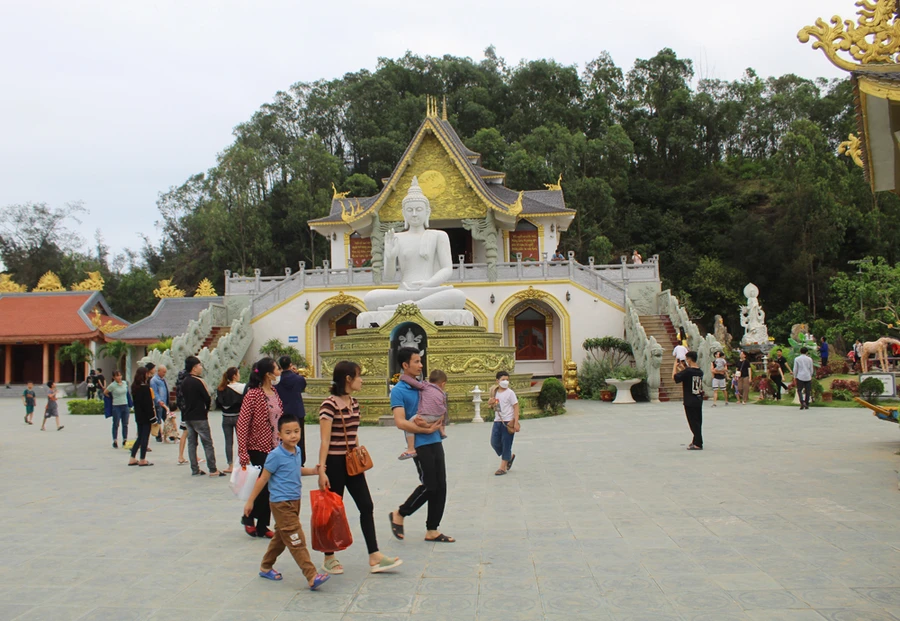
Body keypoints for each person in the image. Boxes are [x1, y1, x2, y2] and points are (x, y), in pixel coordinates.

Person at [318, 361, 403, 574]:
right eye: (358, 376)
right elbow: (325, 441)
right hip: (334, 464)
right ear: (347, 379)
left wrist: (358, 456)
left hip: (351, 463)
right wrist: (321, 470)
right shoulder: (328, 405)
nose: (361, 380)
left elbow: (354, 433)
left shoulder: (354, 403)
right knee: (334, 511)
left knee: (366, 505)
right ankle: (329, 556)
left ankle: (374, 555)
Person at [243, 414, 330, 590]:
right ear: (279, 435)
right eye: (288, 432)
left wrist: (313, 471)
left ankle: (265, 566)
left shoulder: (297, 451)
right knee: (296, 538)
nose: (293, 436)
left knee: (282, 537)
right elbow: (263, 478)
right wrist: (250, 501)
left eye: (296, 431)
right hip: (280, 503)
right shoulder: (275, 455)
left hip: (295, 501)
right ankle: (312, 576)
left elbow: (295, 470)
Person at [389, 348, 454, 544]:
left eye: (420, 361)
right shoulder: (399, 391)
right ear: (405, 365)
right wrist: (424, 431)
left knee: (441, 485)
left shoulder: (423, 386)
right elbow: (400, 422)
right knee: (430, 485)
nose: (420, 365)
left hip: (435, 440)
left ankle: (432, 530)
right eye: (416, 362)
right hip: (419, 444)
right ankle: (400, 513)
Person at [237, 358, 283, 538]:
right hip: (258, 446)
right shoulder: (253, 394)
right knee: (262, 486)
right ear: (268, 374)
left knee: (270, 487)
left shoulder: (275, 392)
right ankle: (249, 517)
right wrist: (242, 451)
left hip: (275, 445)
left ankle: (263, 525)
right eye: (276, 369)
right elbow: (242, 424)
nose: (279, 372)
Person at [181, 356, 225, 477]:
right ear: (194, 368)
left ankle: (194, 468)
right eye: (199, 365)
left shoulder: (184, 381)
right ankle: (212, 469)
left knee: (192, 443)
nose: (201, 368)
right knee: (207, 442)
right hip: (199, 415)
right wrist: (206, 408)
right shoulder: (199, 381)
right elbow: (207, 397)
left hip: (188, 415)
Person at [398, 369, 448, 460]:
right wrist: (443, 423)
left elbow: (412, 382)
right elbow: (445, 408)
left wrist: (403, 377)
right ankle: (442, 432)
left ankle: (410, 449)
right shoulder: (442, 393)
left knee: (409, 424)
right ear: (443, 384)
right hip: (438, 416)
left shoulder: (425, 386)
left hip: (426, 415)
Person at [275, 356, 308, 465]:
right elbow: (303, 385)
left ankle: (285, 459)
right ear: (290, 365)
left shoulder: (277, 380)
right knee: (299, 437)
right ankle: (300, 460)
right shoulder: (298, 379)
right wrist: (296, 373)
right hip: (297, 411)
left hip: (283, 411)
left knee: (284, 436)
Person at [488, 370, 519, 476]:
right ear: (497, 381)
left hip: (508, 421)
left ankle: (502, 467)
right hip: (498, 420)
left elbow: (516, 406)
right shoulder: (495, 392)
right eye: (503, 380)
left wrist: (515, 421)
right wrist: (491, 403)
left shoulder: (510, 393)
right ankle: (509, 457)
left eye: (507, 380)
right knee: (494, 442)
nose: (505, 382)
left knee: (506, 444)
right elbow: (496, 407)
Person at [217, 366, 246, 475]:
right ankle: (243, 463)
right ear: (234, 376)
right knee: (241, 441)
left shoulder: (221, 388)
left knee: (228, 442)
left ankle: (230, 465)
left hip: (225, 417)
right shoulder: (241, 387)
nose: (239, 375)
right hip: (238, 417)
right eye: (238, 373)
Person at [673, 352, 704, 450]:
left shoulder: (688, 372)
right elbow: (688, 376)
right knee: (698, 421)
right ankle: (696, 440)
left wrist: (674, 367)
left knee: (693, 422)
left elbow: (675, 378)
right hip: (698, 398)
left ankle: (698, 443)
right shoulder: (699, 371)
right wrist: (683, 369)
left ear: (689, 359)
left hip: (690, 400)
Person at [128, 366, 155, 467]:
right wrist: (153, 418)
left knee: (140, 437)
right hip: (146, 416)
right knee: (145, 437)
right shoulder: (145, 388)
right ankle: (142, 459)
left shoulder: (134, 387)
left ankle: (132, 457)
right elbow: (148, 404)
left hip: (138, 415)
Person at [105, 370, 130, 448]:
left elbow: (127, 393)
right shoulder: (112, 385)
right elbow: (105, 392)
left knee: (125, 423)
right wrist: (111, 397)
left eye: (120, 375)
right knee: (116, 423)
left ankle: (125, 439)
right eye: (117, 376)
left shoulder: (125, 383)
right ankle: (115, 440)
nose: (119, 377)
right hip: (116, 406)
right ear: (114, 377)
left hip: (125, 405)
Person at [149, 365, 170, 443]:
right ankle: (158, 435)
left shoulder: (164, 379)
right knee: (158, 419)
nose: (164, 373)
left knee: (167, 419)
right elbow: (154, 392)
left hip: (165, 402)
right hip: (159, 403)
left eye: (165, 372)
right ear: (159, 371)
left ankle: (170, 434)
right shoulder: (154, 380)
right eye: (163, 372)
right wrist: (158, 400)